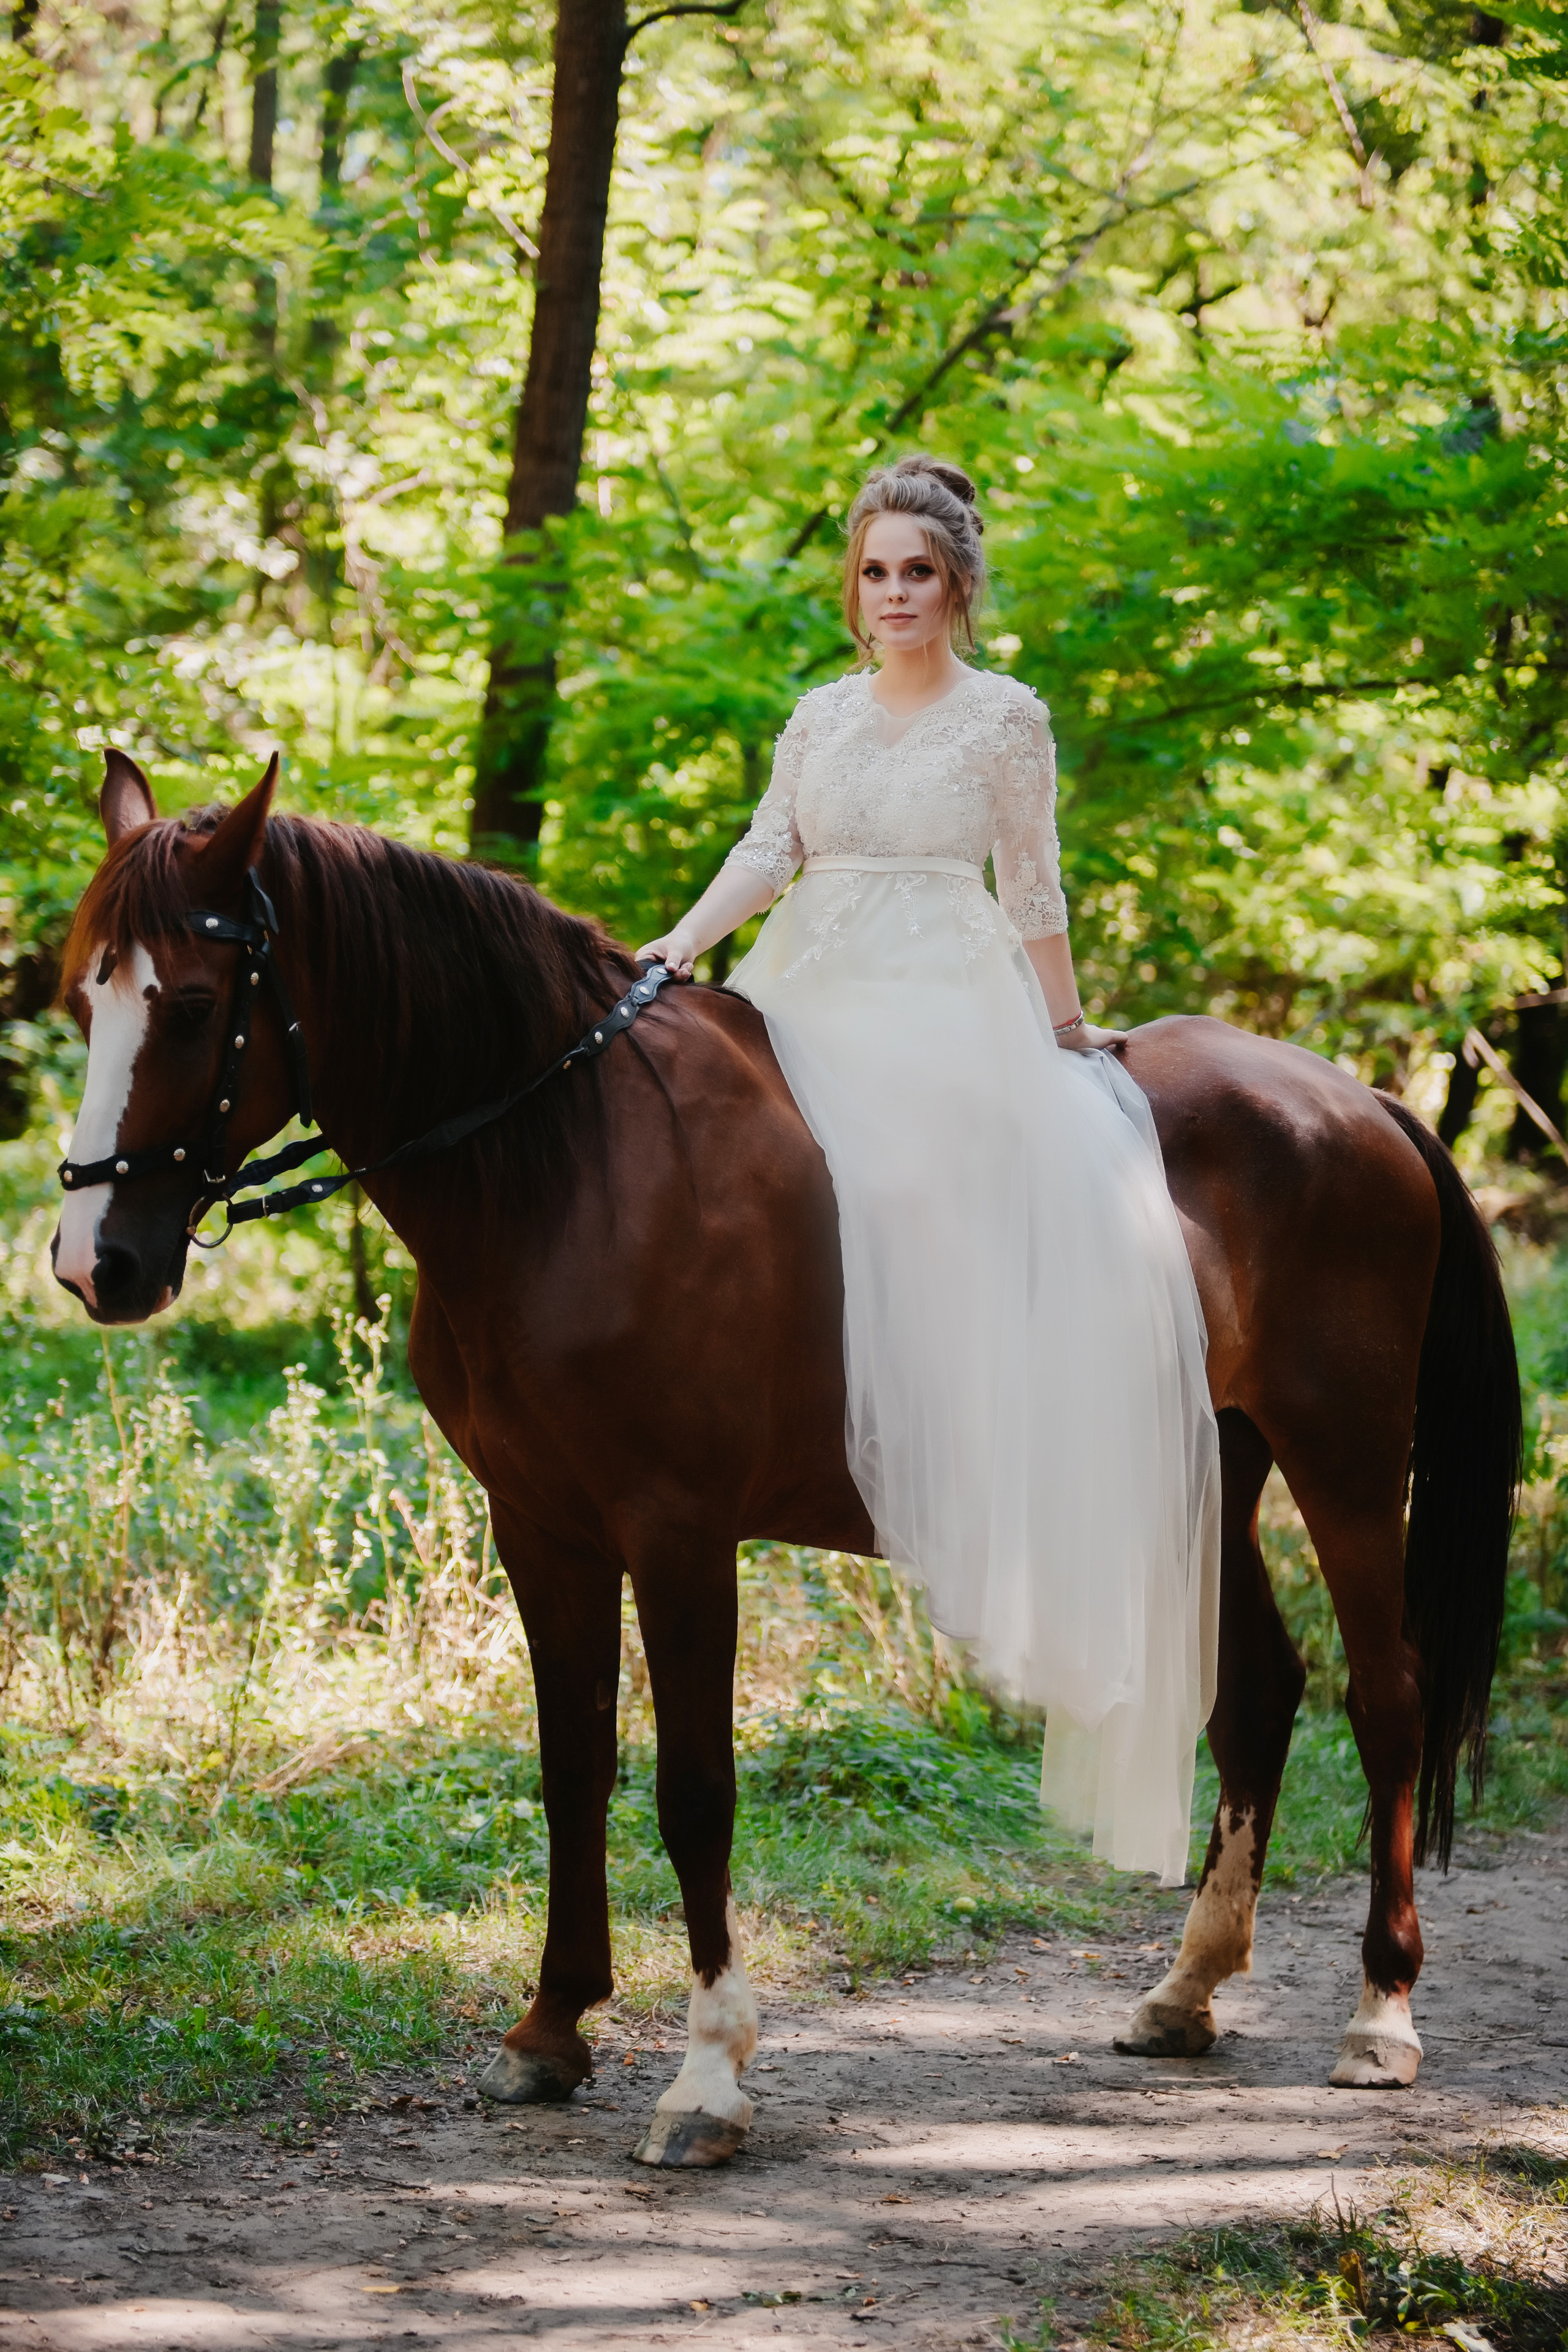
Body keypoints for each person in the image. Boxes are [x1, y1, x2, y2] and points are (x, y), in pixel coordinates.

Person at [638, 456, 1219, 1885]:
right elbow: (769, 847)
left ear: (955, 582)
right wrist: (676, 948)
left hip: (942, 996)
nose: (890, 594)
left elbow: (1030, 881)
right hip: (806, 979)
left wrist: (1067, 1021)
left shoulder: (1004, 719)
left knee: (905, 1183)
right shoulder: (818, 714)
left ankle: (960, 1426)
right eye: (872, 571)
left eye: (916, 571)